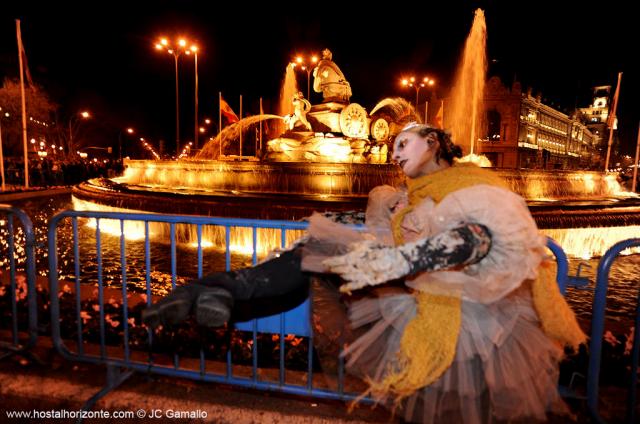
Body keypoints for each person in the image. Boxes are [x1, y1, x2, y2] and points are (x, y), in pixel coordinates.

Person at [142, 122, 585, 423]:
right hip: (418, 298)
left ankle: (222, 291)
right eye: (392, 149)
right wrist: (328, 237)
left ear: (432, 141)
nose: (394, 155)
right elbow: (373, 230)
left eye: (403, 146)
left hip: (473, 320)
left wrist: (400, 261)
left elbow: (481, 237)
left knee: (452, 413)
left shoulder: (476, 186)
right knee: (315, 251)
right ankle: (220, 290)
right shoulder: (404, 195)